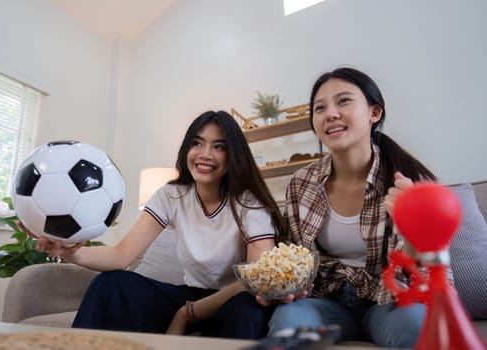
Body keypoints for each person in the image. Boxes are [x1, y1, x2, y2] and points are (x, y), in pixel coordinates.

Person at [30, 110, 287, 339]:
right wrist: (69, 251)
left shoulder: (250, 204)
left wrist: (186, 315)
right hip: (189, 294)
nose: (205, 154)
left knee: (247, 310)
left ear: (233, 156)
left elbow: (254, 280)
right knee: (111, 284)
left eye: (219, 146)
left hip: (231, 300)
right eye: (197, 143)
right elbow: (121, 255)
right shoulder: (171, 195)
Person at [266, 67, 451, 348]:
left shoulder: (410, 183)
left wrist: (416, 227)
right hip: (327, 305)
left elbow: (434, 276)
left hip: (390, 302)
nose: (331, 113)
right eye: (320, 108)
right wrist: (281, 289)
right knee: (288, 319)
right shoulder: (301, 184)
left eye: (343, 101)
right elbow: (294, 261)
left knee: (416, 325)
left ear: (374, 113)